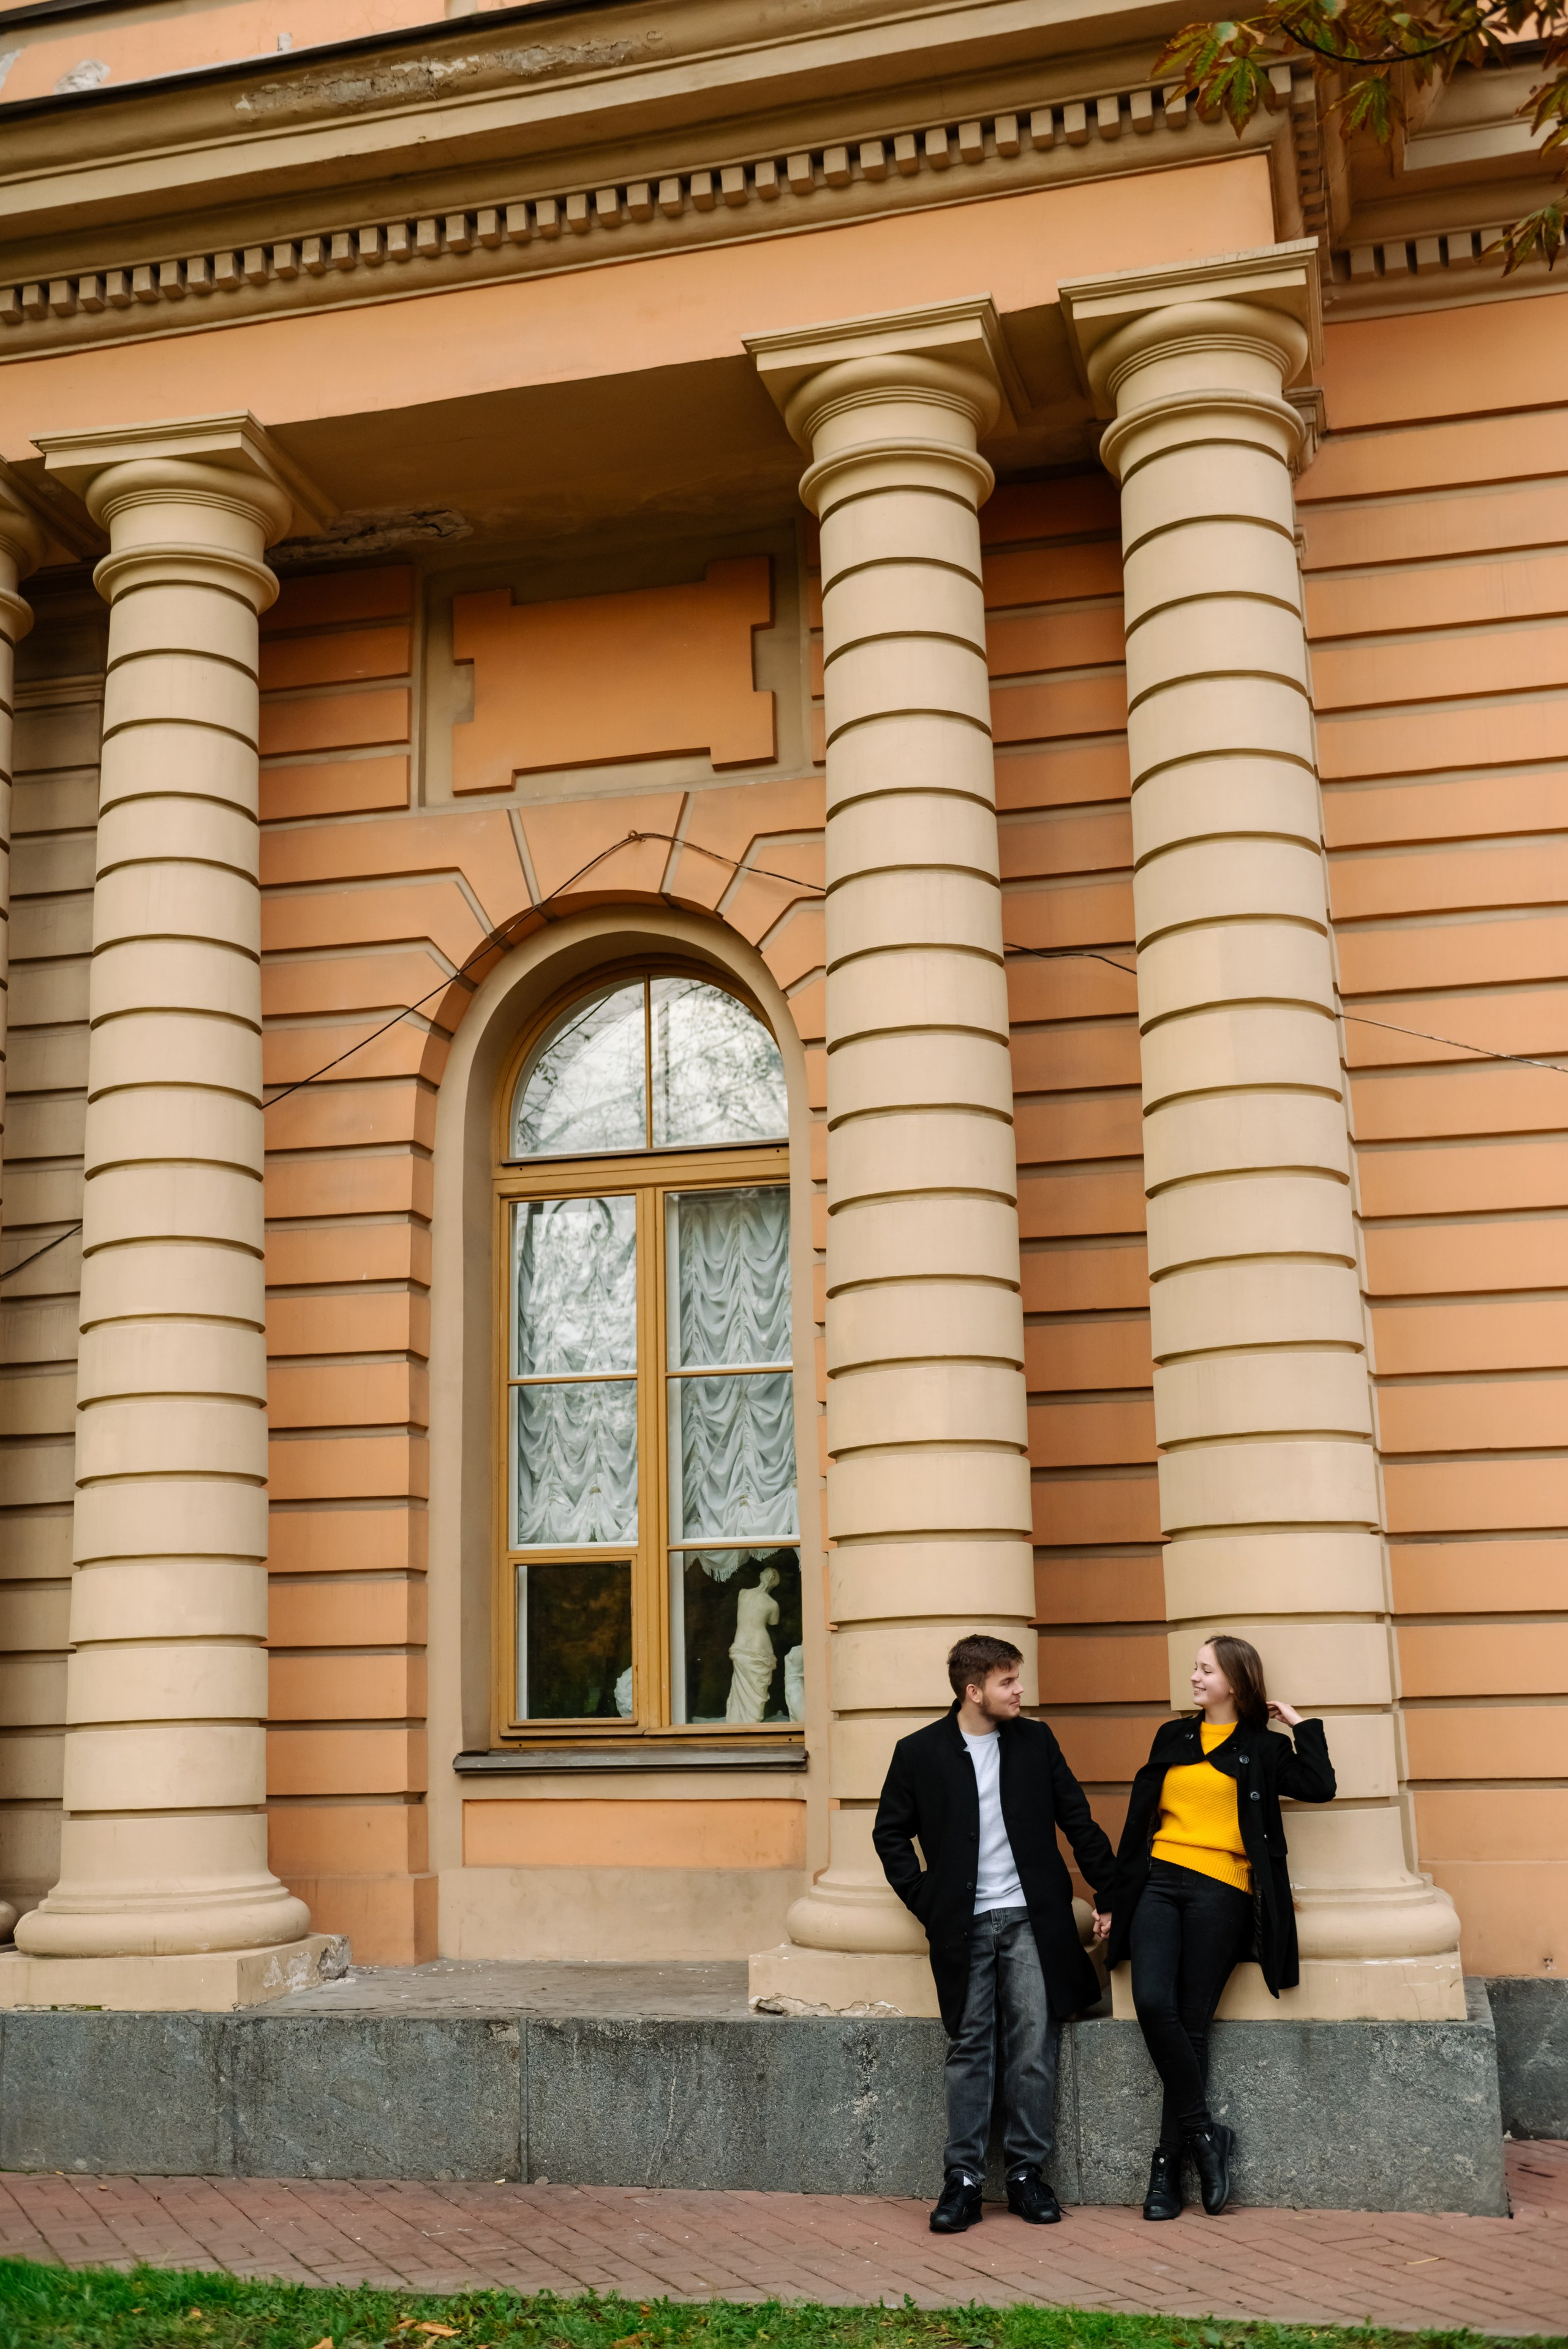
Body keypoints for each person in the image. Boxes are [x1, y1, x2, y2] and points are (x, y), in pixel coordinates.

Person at [874, 1632, 1116, 2236]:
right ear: (973, 1690)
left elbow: (1077, 1819)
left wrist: (1111, 1892)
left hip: (1032, 1918)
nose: (1019, 1690)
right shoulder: (919, 1751)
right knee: (970, 2047)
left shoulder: (1036, 1741)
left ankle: (1027, 2173)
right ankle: (962, 2180)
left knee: (1034, 2044)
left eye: (1017, 1678)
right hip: (963, 1925)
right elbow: (890, 1834)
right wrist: (928, 1900)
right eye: (1007, 1681)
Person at [1096, 1634, 1336, 2221]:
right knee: (1154, 2002)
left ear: (1235, 1680)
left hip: (1222, 1888)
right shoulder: (1172, 1736)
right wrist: (1115, 1898)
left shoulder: (1263, 1746)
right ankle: (1206, 2135)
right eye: (1196, 1668)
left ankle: (1165, 2168)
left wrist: (1300, 1724)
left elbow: (1319, 1785)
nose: (1195, 1677)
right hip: (1158, 1880)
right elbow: (1137, 1823)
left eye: (1206, 1669)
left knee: (1191, 2022)